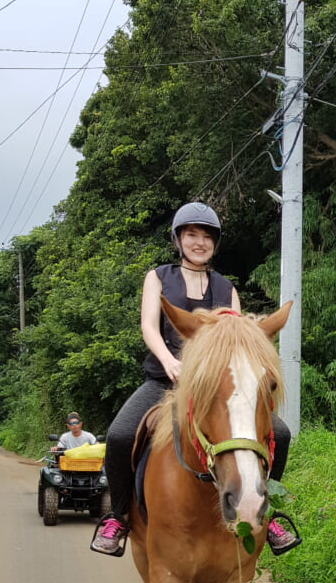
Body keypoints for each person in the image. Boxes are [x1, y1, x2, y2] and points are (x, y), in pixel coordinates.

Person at [91, 201, 301, 558]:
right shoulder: (157, 278)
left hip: (214, 388)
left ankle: (268, 511)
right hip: (165, 380)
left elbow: (237, 338)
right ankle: (119, 516)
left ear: (215, 243)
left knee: (278, 432)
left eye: (207, 236)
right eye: (192, 234)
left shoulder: (226, 288)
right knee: (120, 434)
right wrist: (169, 361)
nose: (199, 242)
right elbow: (148, 326)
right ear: (178, 239)